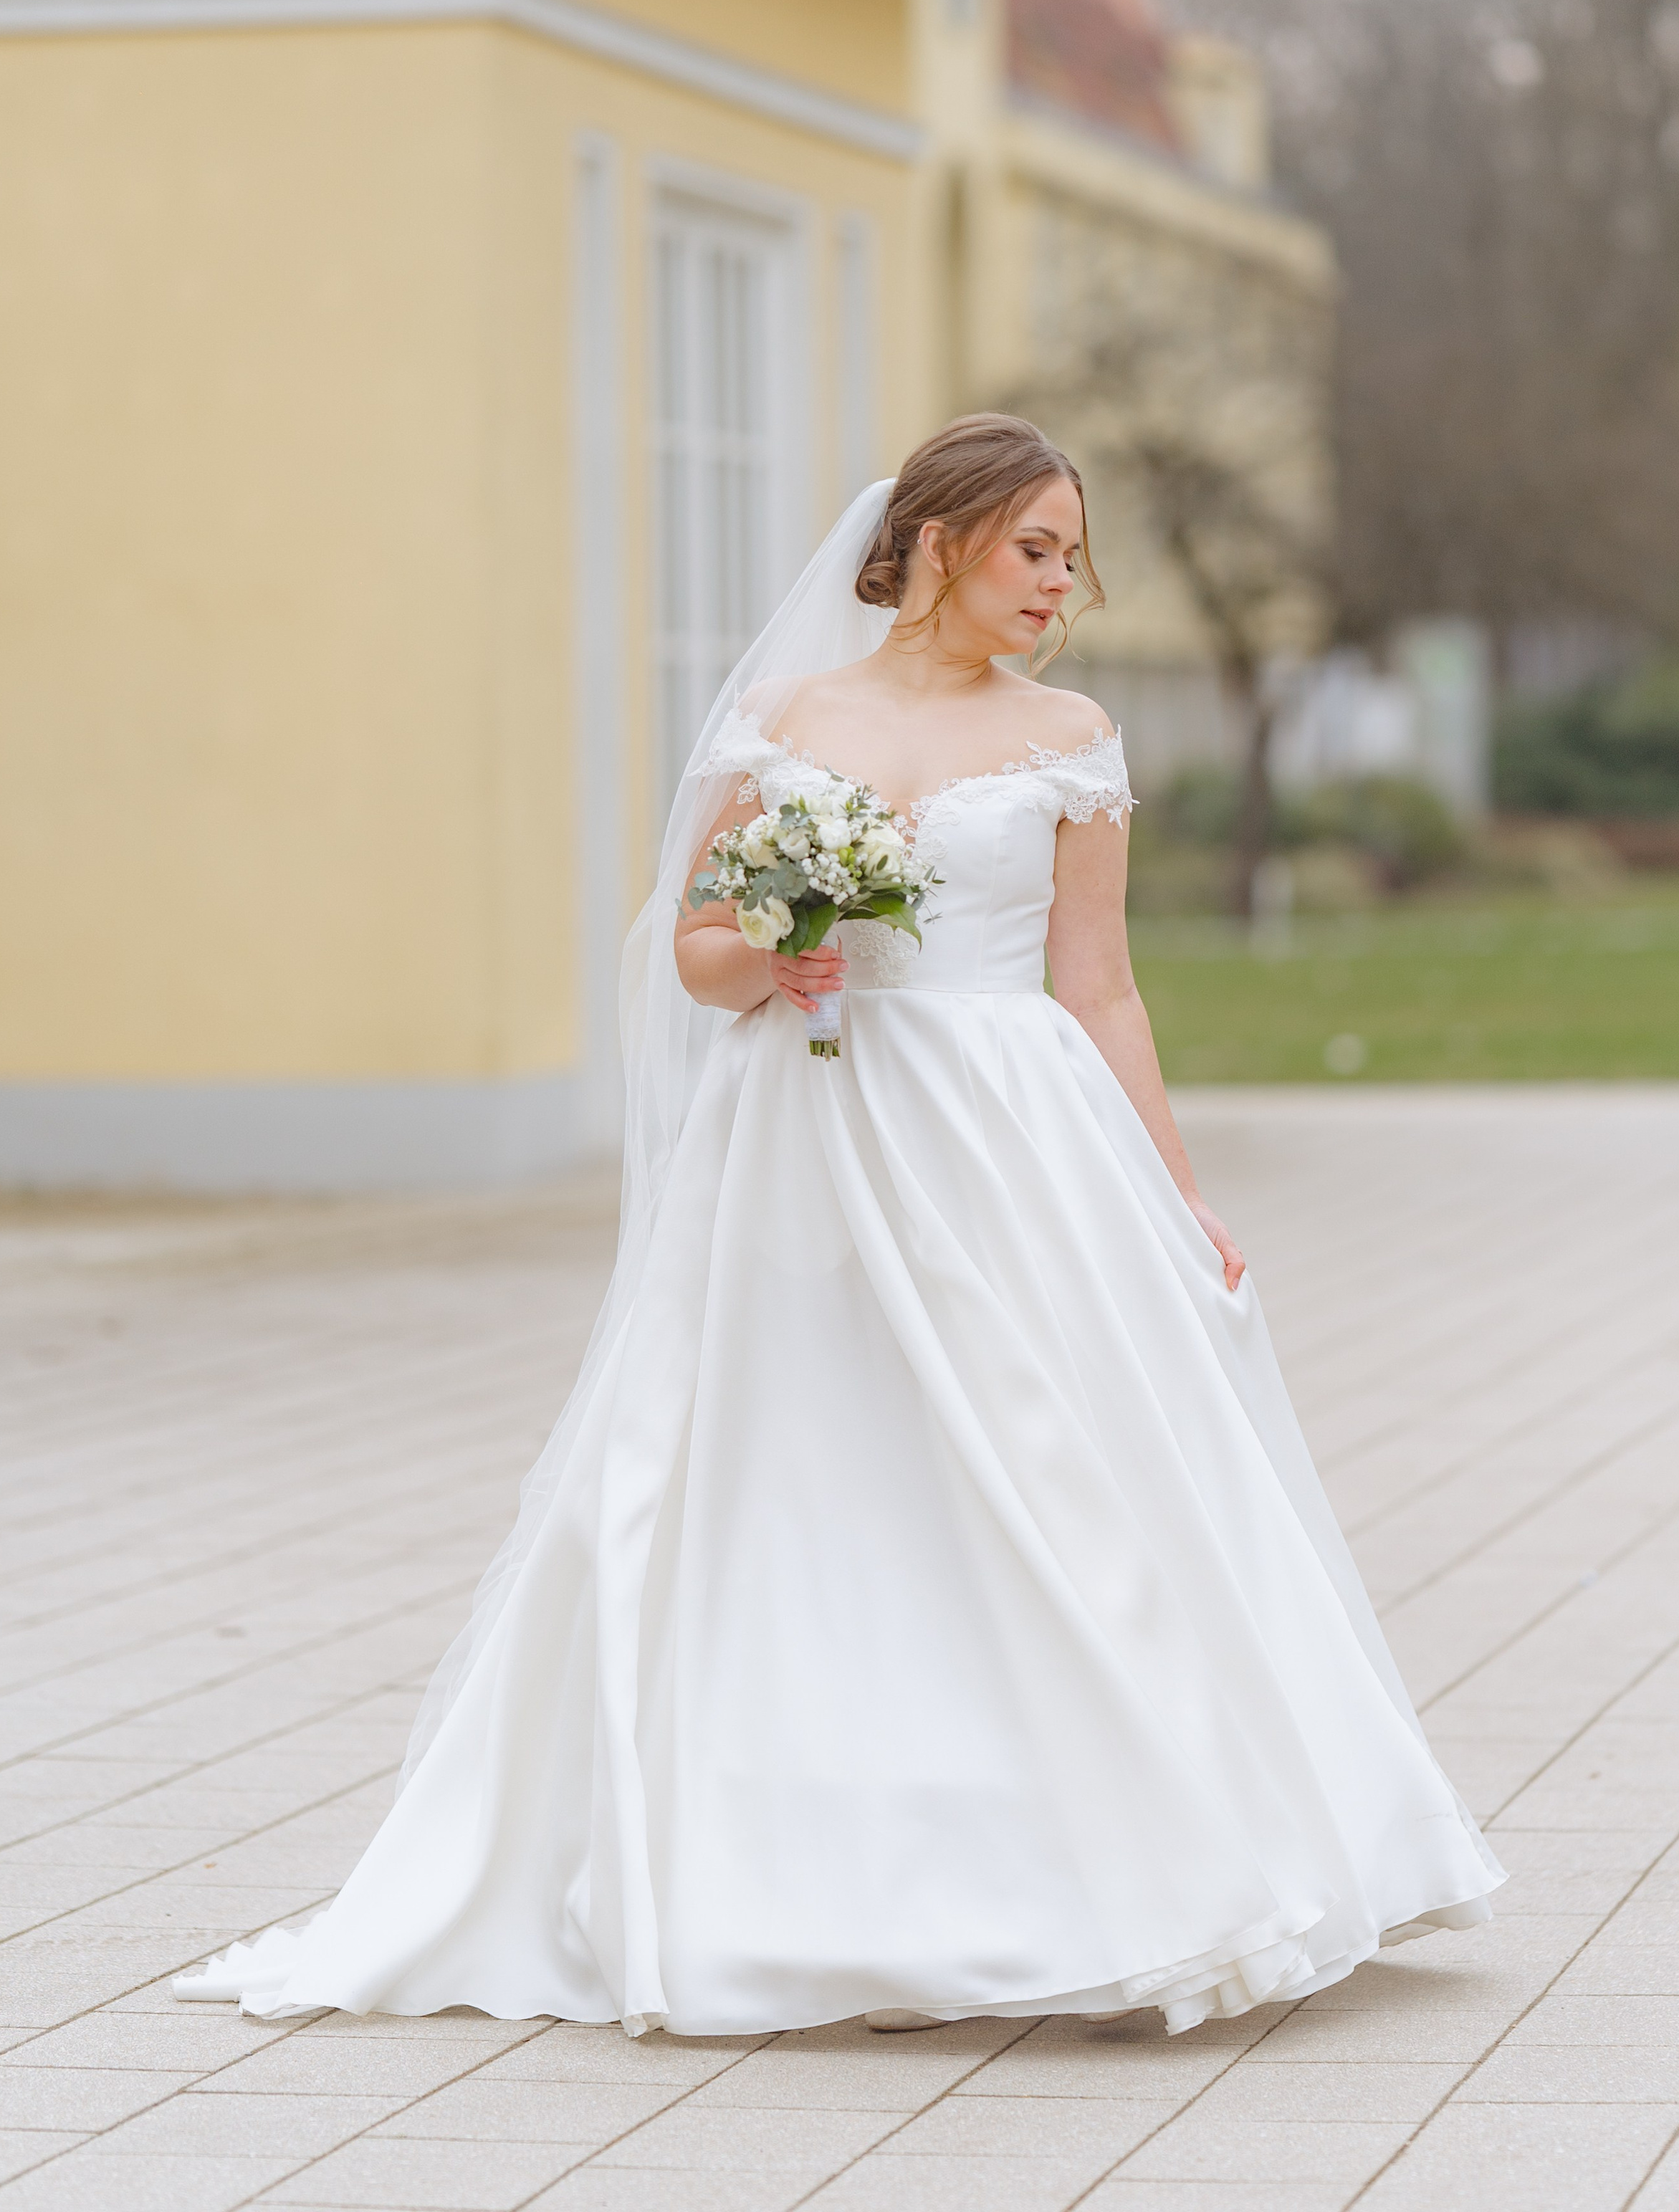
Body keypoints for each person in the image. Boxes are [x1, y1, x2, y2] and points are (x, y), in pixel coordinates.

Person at [176, 414, 1501, 2035]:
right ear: (938, 542)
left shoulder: (1070, 736)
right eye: (1034, 549)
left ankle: (1118, 1850)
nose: (1062, 585)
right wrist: (774, 954)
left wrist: (1172, 1186)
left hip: (1008, 1138)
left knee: (1040, 1460)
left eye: (1072, 557)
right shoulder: (792, 722)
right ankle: (804, 1864)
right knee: (806, 1457)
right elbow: (696, 951)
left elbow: (1098, 983)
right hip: (804, 1132)